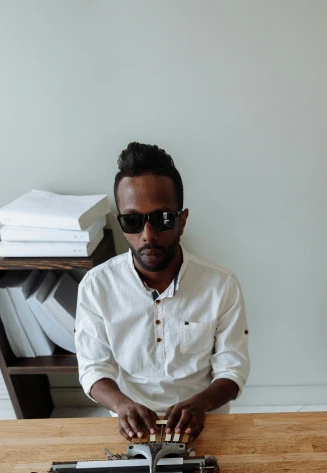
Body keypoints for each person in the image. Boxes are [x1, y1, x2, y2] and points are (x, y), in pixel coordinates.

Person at [75, 142, 250, 442]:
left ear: (181, 221)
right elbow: (93, 368)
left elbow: (233, 369)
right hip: (128, 422)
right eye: (132, 221)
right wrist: (121, 404)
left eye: (162, 219)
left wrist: (202, 403)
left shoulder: (222, 286)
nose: (148, 235)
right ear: (120, 223)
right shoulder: (96, 286)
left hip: (205, 418)